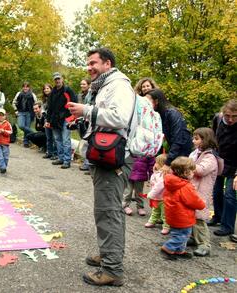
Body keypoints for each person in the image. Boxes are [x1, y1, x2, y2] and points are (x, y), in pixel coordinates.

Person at [68, 48, 137, 286]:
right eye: (87, 63)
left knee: (108, 212)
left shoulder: (118, 86)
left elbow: (119, 118)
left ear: (107, 63)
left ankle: (112, 270)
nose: (89, 67)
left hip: (114, 158)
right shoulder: (105, 85)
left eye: (93, 63)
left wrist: (87, 110)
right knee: (107, 211)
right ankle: (108, 253)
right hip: (105, 155)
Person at [123, 78, 160, 215]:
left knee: (139, 188)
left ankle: (139, 206)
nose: (145, 88)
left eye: (147, 86)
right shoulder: (136, 102)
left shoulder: (154, 111)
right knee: (128, 187)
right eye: (143, 86)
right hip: (134, 154)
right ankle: (125, 204)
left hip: (143, 159)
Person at [161, 157, 205, 260]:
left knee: (178, 233)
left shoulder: (171, 182)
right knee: (183, 235)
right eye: (192, 172)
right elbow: (193, 200)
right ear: (186, 173)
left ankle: (179, 250)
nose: (193, 174)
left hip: (173, 215)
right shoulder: (185, 186)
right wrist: (202, 205)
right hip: (183, 216)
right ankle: (168, 248)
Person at [188, 128, 220, 256]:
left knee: (199, 218)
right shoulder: (195, 153)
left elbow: (201, 170)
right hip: (193, 190)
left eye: (196, 138)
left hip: (202, 192)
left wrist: (186, 164)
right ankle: (193, 237)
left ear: (205, 140)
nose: (193, 141)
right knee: (190, 215)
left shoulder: (210, 157)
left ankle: (204, 244)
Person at [209, 99, 237, 236]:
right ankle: (217, 217)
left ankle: (228, 226)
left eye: (234, 116)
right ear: (223, 113)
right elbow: (213, 137)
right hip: (219, 159)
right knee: (216, 191)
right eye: (228, 115)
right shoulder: (218, 118)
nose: (230, 119)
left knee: (230, 195)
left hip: (235, 162)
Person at [144, 89, 193, 167]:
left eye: (147, 101)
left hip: (181, 154)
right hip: (172, 151)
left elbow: (178, 139)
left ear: (156, 101)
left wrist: (168, 162)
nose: (145, 103)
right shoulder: (157, 115)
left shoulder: (172, 113)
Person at [46, 72, 77, 169]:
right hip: (55, 119)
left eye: (59, 79)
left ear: (62, 79)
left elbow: (74, 103)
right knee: (58, 139)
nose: (57, 81)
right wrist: (48, 120)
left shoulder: (68, 90)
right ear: (54, 80)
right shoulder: (52, 93)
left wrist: (73, 118)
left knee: (65, 139)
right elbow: (49, 108)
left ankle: (67, 160)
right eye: (55, 79)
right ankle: (61, 158)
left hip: (66, 118)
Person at [144, 154, 170, 235]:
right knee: (155, 210)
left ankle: (166, 226)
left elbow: (159, 186)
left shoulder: (163, 175)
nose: (155, 164)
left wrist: (151, 194)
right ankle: (152, 221)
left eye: (157, 163)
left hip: (162, 198)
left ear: (162, 165)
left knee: (164, 213)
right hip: (157, 197)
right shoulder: (157, 173)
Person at [13, 82, 37, 147]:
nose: (25, 88)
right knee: (21, 126)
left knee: (27, 127)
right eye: (24, 86)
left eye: (27, 87)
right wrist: (16, 110)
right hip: (20, 112)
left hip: (29, 113)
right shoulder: (19, 94)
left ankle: (26, 142)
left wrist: (35, 112)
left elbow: (36, 104)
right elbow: (14, 102)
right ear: (22, 87)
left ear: (29, 88)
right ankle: (34, 133)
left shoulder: (32, 95)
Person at [41, 84, 57, 160]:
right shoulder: (44, 99)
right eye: (45, 89)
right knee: (49, 137)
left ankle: (55, 153)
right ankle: (49, 152)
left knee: (54, 137)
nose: (46, 90)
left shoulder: (54, 97)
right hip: (46, 119)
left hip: (53, 120)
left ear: (51, 89)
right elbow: (43, 109)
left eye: (47, 88)